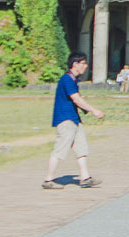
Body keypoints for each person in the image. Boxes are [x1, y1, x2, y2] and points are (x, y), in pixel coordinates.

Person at [42, 52, 103, 189]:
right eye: (83, 63)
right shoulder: (67, 79)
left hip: (74, 119)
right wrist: (94, 110)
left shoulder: (73, 80)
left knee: (81, 148)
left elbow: (75, 101)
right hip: (66, 119)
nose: (86, 66)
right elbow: (76, 99)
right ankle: (48, 180)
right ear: (75, 64)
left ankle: (85, 178)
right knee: (60, 149)